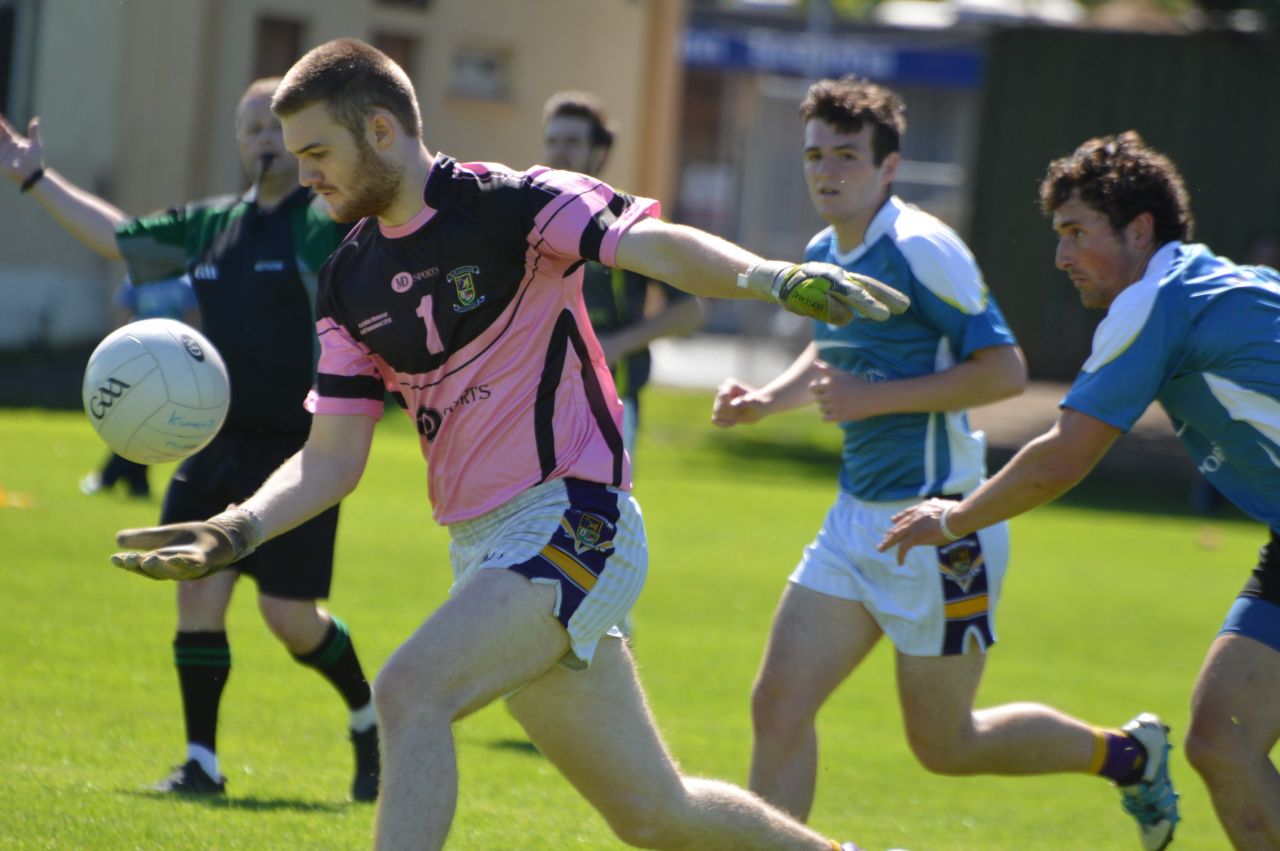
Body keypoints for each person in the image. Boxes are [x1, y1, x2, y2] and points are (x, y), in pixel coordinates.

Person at [109, 37, 910, 851]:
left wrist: (768, 277)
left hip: (577, 516)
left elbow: (653, 247)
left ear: (382, 132)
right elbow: (330, 460)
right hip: (483, 550)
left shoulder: (516, 204)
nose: (304, 173)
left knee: (409, 690)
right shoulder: (344, 279)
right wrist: (233, 529)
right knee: (655, 814)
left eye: (319, 152)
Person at [712, 79, 1178, 850]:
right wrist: (767, 399)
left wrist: (874, 399)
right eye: (815, 156)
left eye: (848, 157)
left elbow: (1003, 370)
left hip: (940, 526)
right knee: (778, 705)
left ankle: (1128, 755)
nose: (828, 171)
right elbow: (836, 350)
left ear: (889, 168)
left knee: (947, 745)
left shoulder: (923, 248)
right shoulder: (826, 251)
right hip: (852, 521)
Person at [880, 130, 1280, 849]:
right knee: (1223, 737)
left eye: (1076, 232)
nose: (1061, 256)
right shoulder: (1211, 281)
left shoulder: (1157, 299)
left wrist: (954, 519)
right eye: (1057, 234)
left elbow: (1063, 457)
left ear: (1139, 230)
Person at [0, 78, 381, 800]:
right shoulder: (212, 225)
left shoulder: (323, 221)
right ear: (238, 143)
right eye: (249, 130)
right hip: (214, 444)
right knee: (197, 597)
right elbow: (119, 235)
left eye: (274, 127)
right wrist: (35, 178)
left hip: (303, 453)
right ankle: (201, 762)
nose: (261, 140)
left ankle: (368, 719)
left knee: (290, 619)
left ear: (301, 138)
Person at [542, 91, 704, 458]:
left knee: (597, 514)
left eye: (571, 142)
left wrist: (617, 345)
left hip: (609, 400)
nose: (558, 152)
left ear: (598, 153)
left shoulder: (628, 221)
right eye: (552, 141)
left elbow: (689, 312)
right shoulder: (524, 217)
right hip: (535, 399)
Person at [80, 273, 200, 499]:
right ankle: (132, 482)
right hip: (139, 363)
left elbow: (191, 328)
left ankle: (113, 478)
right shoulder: (136, 279)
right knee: (138, 420)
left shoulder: (185, 284)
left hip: (170, 366)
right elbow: (123, 320)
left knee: (147, 421)